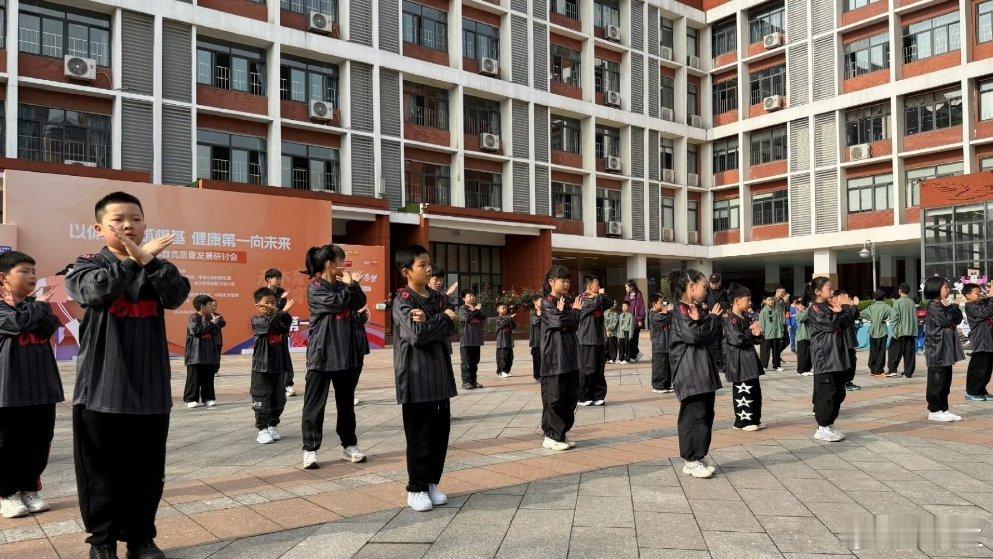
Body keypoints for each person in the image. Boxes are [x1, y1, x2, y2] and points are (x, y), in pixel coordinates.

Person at [67, 191, 191, 559]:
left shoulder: (159, 267)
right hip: (100, 387)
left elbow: (176, 295)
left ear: (145, 225)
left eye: (135, 219)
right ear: (99, 228)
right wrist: (136, 261)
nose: (128, 226)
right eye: (118, 220)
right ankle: (102, 541)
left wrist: (147, 261)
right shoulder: (86, 266)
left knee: (148, 472)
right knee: (99, 472)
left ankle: (140, 538)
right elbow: (95, 291)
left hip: (150, 388)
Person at [391, 245, 459, 512]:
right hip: (416, 377)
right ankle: (416, 488)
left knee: (440, 434)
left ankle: (431, 483)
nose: (429, 269)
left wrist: (431, 319)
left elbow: (458, 322)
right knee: (419, 435)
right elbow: (416, 335)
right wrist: (442, 319)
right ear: (406, 272)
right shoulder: (402, 299)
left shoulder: (439, 297)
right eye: (422, 265)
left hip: (440, 374)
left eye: (429, 264)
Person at [0, 251, 62, 520]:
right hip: (8, 391)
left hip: (42, 387)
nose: (32, 276)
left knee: (39, 441)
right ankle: (7, 494)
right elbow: (18, 324)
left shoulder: (36, 305)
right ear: (3, 278)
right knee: (7, 443)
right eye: (24, 271)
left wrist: (38, 308)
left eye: (34, 272)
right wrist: (38, 307)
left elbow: (50, 326)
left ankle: (29, 488)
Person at [301, 244, 367, 469]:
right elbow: (336, 303)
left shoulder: (343, 285)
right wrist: (350, 287)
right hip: (322, 354)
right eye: (342, 261)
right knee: (314, 404)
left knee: (346, 404)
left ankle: (349, 445)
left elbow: (359, 302)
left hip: (346, 354)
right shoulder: (315, 288)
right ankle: (310, 449)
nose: (345, 265)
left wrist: (353, 285)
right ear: (330, 264)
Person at [668, 269, 722, 479]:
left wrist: (707, 319)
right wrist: (712, 319)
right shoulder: (680, 310)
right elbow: (695, 335)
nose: (706, 292)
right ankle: (691, 460)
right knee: (694, 416)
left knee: (706, 415)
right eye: (704, 287)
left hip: (702, 372)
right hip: (690, 373)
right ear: (691, 288)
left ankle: (698, 457)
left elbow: (707, 334)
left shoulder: (695, 309)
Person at [805, 277, 856, 442]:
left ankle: (829, 425)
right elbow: (831, 325)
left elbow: (846, 322)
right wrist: (841, 310)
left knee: (838, 393)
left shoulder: (829, 306)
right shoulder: (814, 309)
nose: (833, 292)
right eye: (829, 289)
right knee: (826, 394)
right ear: (817, 292)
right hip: (825, 357)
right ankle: (822, 427)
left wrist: (847, 308)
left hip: (838, 357)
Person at [540, 265, 583, 451]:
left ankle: (561, 434)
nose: (566, 284)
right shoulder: (546, 302)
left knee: (570, 397)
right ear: (552, 282)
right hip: (554, 358)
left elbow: (574, 324)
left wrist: (570, 315)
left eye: (568, 281)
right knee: (555, 398)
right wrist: (573, 313)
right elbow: (558, 322)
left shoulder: (567, 301)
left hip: (570, 356)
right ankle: (551, 436)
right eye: (562, 280)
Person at [250, 287, 294, 444]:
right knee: (261, 398)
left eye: (273, 302)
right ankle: (262, 429)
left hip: (279, 366)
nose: (270, 306)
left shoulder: (279, 319)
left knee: (279, 399)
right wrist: (281, 311)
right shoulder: (256, 320)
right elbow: (268, 326)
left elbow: (286, 322)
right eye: (266, 303)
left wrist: (279, 311)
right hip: (262, 367)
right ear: (258, 305)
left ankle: (273, 425)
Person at [723, 283, 764, 431]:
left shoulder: (746, 318)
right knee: (743, 391)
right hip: (739, 362)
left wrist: (757, 334)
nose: (750, 302)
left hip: (750, 360)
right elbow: (737, 339)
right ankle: (742, 422)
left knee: (754, 391)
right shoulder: (731, 319)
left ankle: (754, 419)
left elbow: (752, 338)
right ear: (736, 300)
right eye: (747, 299)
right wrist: (750, 333)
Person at [924, 276, 965, 422]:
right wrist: (953, 307)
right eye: (945, 287)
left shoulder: (942, 305)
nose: (948, 289)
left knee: (946, 381)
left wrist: (952, 308)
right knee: (937, 381)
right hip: (937, 349)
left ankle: (943, 409)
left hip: (946, 348)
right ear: (935, 288)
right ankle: (934, 410)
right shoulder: (933, 306)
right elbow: (946, 320)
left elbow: (958, 319)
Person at [577, 275, 613, 406]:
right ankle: (583, 397)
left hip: (599, 339)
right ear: (589, 286)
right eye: (597, 284)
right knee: (588, 369)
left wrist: (601, 296)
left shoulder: (599, 298)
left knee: (599, 368)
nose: (599, 287)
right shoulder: (582, 299)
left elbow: (610, 303)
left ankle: (598, 396)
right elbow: (594, 305)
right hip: (587, 339)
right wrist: (600, 296)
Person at [184, 295, 223, 408]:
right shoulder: (194, 317)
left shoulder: (211, 317)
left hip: (209, 352)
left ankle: (208, 398)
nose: (212, 307)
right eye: (210, 305)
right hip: (195, 354)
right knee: (194, 378)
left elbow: (216, 332)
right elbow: (195, 330)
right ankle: (191, 399)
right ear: (202, 306)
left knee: (208, 377)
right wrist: (211, 323)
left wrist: (217, 323)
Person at [265, 268, 296, 398]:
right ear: (269, 279)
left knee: (285, 357)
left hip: (281, 329)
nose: (279, 281)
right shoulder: (264, 293)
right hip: (269, 330)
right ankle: (270, 386)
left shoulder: (282, 292)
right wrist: (281, 300)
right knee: (269, 358)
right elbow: (269, 310)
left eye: (280, 278)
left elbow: (283, 312)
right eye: (277, 278)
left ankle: (288, 384)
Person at [964, 284, 993, 401]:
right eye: (977, 292)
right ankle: (972, 391)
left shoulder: (981, 303)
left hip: (989, 341)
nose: (979, 294)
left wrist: (988, 297)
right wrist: (991, 298)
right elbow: (984, 313)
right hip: (980, 341)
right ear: (968, 296)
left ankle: (981, 390)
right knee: (978, 368)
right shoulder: (969, 306)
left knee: (987, 368)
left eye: (980, 292)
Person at [887, 283, 918, 378]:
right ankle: (908, 372)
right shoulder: (912, 302)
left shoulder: (897, 302)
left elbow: (894, 318)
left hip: (900, 331)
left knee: (894, 351)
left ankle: (893, 370)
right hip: (911, 331)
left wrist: (895, 331)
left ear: (899, 291)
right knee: (909, 353)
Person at [833, 290, 861, 391]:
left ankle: (848, 381)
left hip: (849, 339)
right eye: (845, 297)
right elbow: (845, 319)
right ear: (838, 297)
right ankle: (844, 382)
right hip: (842, 340)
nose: (847, 299)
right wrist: (850, 306)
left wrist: (854, 306)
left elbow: (855, 315)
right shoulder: (836, 309)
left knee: (852, 360)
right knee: (846, 361)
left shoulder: (846, 307)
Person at [458, 290, 485, 390]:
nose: (472, 297)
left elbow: (483, 317)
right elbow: (467, 318)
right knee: (466, 362)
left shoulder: (476, 309)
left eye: (473, 296)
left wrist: (476, 310)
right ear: (464, 298)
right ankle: (465, 382)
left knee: (475, 362)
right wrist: (474, 311)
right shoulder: (462, 309)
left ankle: (473, 381)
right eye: (469, 296)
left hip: (476, 339)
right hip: (466, 339)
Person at [861, 290, 892, 377]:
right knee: (881, 351)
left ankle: (873, 368)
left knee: (873, 351)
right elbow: (893, 314)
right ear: (884, 298)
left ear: (874, 298)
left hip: (873, 330)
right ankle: (879, 370)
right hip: (882, 330)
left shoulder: (871, 307)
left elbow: (861, 313)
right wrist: (885, 319)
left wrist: (871, 318)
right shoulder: (887, 307)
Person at [648, 295, 673, 393]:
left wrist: (668, 312)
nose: (663, 304)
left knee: (666, 365)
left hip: (666, 343)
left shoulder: (661, 313)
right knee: (659, 366)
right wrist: (669, 312)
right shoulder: (653, 315)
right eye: (661, 302)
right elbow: (668, 318)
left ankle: (666, 384)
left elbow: (671, 318)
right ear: (654, 304)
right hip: (659, 344)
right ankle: (658, 386)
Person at [705, 274, 729, 373]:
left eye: (716, 283)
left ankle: (722, 363)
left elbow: (727, 303)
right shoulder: (706, 291)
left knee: (720, 343)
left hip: (720, 320)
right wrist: (705, 307)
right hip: (709, 320)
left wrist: (721, 305)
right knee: (713, 343)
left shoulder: (723, 291)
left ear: (719, 282)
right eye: (712, 283)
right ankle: (717, 364)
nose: (714, 285)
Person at [758, 296, 784, 371]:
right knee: (765, 351)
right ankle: (763, 366)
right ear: (765, 301)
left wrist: (781, 331)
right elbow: (761, 323)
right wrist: (762, 332)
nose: (771, 301)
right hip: (766, 334)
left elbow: (780, 321)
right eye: (769, 300)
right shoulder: (763, 311)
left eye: (772, 300)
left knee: (776, 351)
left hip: (776, 334)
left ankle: (776, 365)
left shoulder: (776, 310)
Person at [624, 280, 646, 362]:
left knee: (634, 339)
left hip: (636, 321)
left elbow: (641, 308)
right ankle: (636, 354)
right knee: (629, 339)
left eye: (627, 287)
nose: (626, 288)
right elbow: (625, 306)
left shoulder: (638, 296)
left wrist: (640, 319)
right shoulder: (627, 296)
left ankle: (633, 356)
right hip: (628, 321)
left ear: (631, 287)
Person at [353, 305, 371, 405]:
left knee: (358, 367)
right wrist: (358, 312)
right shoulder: (342, 302)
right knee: (349, 369)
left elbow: (363, 320)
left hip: (359, 338)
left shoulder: (359, 302)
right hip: (347, 339)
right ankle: (348, 394)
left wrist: (361, 312)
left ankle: (351, 393)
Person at [494, 303, 516, 378]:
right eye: (503, 308)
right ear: (498, 310)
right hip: (502, 341)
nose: (505, 309)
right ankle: (501, 371)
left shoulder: (508, 318)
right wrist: (509, 318)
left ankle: (507, 370)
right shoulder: (498, 318)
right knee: (502, 356)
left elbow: (514, 326)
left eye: (505, 308)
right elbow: (502, 324)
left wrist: (512, 320)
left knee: (510, 357)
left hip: (509, 340)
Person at [795, 300, 813, 376]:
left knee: (809, 354)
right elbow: (802, 318)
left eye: (802, 306)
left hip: (810, 337)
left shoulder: (807, 313)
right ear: (797, 307)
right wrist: (808, 309)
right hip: (802, 337)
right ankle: (801, 370)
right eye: (800, 306)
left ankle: (807, 369)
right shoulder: (798, 314)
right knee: (802, 355)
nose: (802, 307)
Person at [529, 295, 542, 380]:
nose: (542, 302)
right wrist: (540, 314)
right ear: (535, 302)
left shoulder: (545, 311)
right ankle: (537, 375)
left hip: (544, 339)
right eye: (540, 301)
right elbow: (536, 321)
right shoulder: (532, 312)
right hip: (536, 341)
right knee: (537, 359)